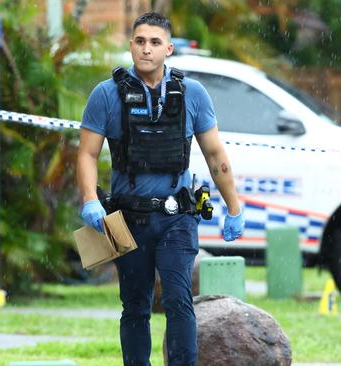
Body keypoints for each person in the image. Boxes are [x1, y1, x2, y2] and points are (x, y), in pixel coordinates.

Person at [76, 12, 244, 366]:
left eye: (155, 42)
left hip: (176, 217)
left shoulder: (192, 93)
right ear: (131, 45)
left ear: (168, 48)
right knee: (135, 305)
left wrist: (234, 208)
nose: (146, 49)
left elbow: (216, 155)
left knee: (178, 299)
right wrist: (90, 200)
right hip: (127, 218)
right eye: (140, 41)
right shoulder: (106, 95)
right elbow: (87, 154)